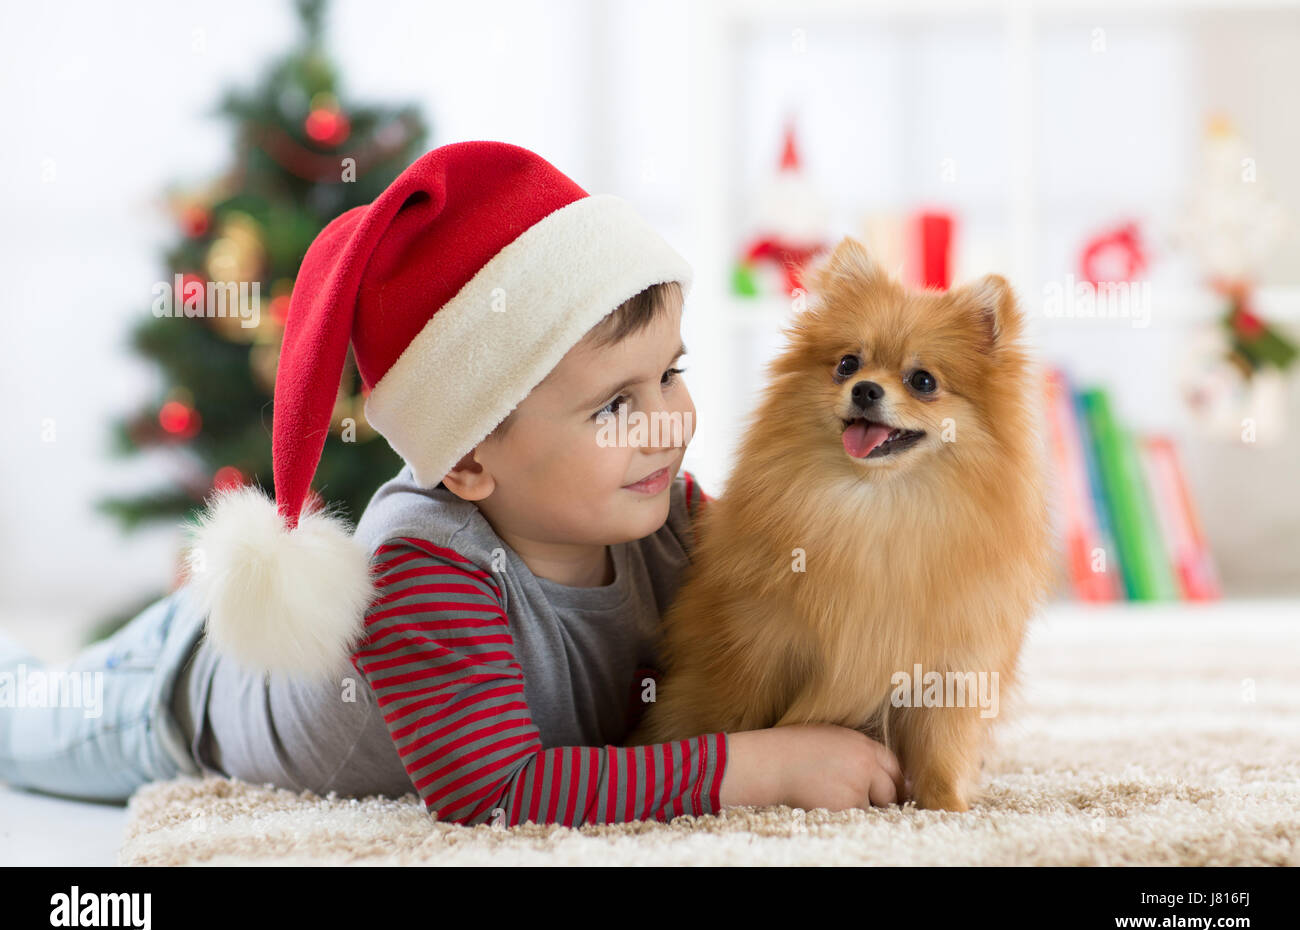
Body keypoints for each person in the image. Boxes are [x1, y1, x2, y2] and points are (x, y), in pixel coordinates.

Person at [0, 141, 905, 826]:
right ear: (467, 462)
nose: (669, 422)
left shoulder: (663, 506)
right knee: (19, 721)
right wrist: (765, 771)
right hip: (181, 694)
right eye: (612, 407)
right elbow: (497, 790)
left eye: (671, 372)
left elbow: (781, 608)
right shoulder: (427, 566)